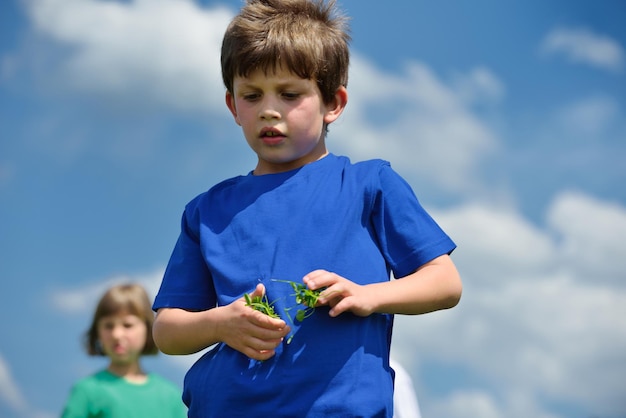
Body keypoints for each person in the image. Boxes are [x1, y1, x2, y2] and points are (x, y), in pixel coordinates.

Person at [152, 0, 462, 416]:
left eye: (290, 93)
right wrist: (220, 323)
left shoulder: (369, 184)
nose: (268, 109)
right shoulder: (206, 211)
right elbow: (167, 330)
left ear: (333, 102)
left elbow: (444, 282)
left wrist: (369, 295)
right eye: (252, 95)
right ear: (232, 107)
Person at [61, 283, 187, 418]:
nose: (117, 334)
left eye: (127, 325)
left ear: (148, 329)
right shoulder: (86, 391)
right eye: (108, 326)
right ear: (97, 331)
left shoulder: (171, 396)